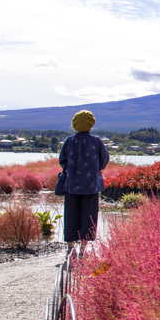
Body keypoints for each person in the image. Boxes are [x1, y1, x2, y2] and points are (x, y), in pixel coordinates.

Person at [58, 110, 110, 258]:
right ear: (91, 124)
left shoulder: (69, 140)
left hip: (72, 185)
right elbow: (104, 160)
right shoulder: (96, 141)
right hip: (91, 186)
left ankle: (70, 248)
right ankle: (83, 248)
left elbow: (62, 160)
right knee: (89, 216)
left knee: (70, 214)